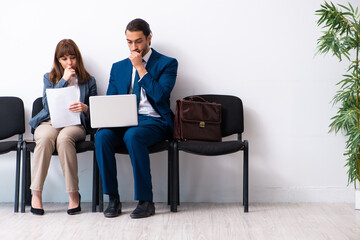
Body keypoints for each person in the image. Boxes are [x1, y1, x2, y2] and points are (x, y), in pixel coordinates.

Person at [95, 18, 178, 218]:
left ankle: (146, 201)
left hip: (153, 121)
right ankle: (113, 199)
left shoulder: (167, 63)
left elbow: (160, 96)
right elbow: (111, 101)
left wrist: (141, 68)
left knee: (133, 136)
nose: (134, 47)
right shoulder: (118, 67)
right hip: (124, 121)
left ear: (149, 38)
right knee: (102, 137)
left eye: (138, 41)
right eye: (129, 42)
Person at [29, 39, 97, 215]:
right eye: (64, 59)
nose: (69, 62)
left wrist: (86, 108)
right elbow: (46, 105)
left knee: (64, 139)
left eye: (72, 58)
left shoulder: (88, 81)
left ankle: (73, 195)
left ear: (78, 58)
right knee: (43, 138)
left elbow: (96, 110)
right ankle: (36, 194)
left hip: (74, 124)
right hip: (50, 122)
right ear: (58, 60)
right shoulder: (49, 78)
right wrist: (64, 81)